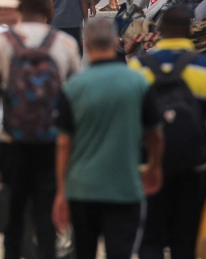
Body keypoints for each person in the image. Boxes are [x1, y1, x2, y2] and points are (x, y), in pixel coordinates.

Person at [129, 6, 206, 259]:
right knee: (186, 241)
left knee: (150, 238)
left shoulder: (138, 67)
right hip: (194, 166)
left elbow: (127, 121)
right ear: (190, 31)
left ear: (159, 32)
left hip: (149, 167)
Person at [0, 0, 82, 259]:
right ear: (51, 12)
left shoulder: (0, 43)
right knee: (46, 217)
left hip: (12, 145)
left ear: (17, 9)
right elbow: (75, 101)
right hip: (51, 146)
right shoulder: (66, 44)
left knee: (13, 220)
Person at [53, 19, 164, 259]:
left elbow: (63, 144)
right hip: (124, 189)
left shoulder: (73, 87)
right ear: (116, 43)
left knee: (83, 252)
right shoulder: (138, 82)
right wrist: (154, 166)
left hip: (82, 189)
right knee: (120, 252)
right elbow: (155, 133)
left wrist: (62, 191)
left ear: (87, 45)